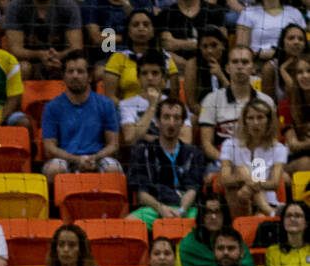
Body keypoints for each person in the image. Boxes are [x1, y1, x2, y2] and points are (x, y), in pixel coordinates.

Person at [41, 50, 124, 182]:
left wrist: (93, 158)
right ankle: (53, 203)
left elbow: (113, 145)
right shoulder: (52, 107)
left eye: (80, 71)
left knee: (113, 168)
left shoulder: (106, 104)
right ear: (64, 76)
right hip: (66, 159)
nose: (75, 76)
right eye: (70, 71)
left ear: (89, 77)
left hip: (97, 158)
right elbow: (49, 147)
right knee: (53, 169)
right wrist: (77, 159)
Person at [127, 97, 206, 228]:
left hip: (187, 210)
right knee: (128, 225)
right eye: (166, 117)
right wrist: (161, 209)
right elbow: (142, 194)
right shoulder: (142, 152)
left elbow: (193, 189)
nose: (171, 122)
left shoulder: (194, 153)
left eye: (176, 118)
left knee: (208, 223)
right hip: (154, 209)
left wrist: (181, 210)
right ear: (157, 122)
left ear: (182, 123)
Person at [199, 45, 275, 175]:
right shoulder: (211, 100)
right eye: (235, 62)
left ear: (253, 68)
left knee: (279, 179)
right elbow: (206, 145)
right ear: (227, 68)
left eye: (245, 62)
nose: (240, 66)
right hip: (223, 163)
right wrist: (228, 161)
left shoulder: (266, 102)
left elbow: (272, 140)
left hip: (258, 162)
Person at [219, 97, 287, 216]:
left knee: (259, 217)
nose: (255, 123)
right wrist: (243, 178)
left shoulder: (279, 148)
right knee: (242, 171)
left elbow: (275, 183)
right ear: (244, 121)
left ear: (269, 121)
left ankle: (267, 210)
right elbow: (224, 179)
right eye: (250, 118)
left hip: (268, 199)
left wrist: (250, 184)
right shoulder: (229, 144)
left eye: (260, 117)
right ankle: (270, 212)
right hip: (238, 201)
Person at [102, 10, 180, 105]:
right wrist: (128, 110)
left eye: (146, 25)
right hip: (126, 114)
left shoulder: (166, 58)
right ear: (129, 32)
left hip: (160, 113)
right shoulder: (117, 58)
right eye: (135, 25)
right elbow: (110, 97)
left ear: (153, 32)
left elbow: (174, 97)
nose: (141, 28)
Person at [119, 51, 191, 150]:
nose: (149, 78)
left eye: (155, 73)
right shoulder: (126, 105)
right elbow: (130, 139)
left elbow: (186, 140)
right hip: (141, 160)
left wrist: (146, 137)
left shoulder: (177, 106)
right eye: (144, 73)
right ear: (138, 77)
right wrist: (152, 106)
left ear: (163, 78)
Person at [177, 194, 258, 266]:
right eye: (208, 212)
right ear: (201, 216)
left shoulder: (235, 240)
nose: (213, 217)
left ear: (224, 214)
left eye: (218, 211)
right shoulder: (189, 244)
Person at [3, 0, 83, 81]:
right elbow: (15, 50)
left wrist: (58, 56)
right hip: (29, 61)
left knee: (74, 67)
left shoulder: (68, 6)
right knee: (23, 67)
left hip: (61, 60)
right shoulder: (15, 6)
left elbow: (77, 48)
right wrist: (39, 55)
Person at [26, 223, 113, 266]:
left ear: (81, 250)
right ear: (55, 249)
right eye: (61, 244)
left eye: (72, 245)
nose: (66, 249)